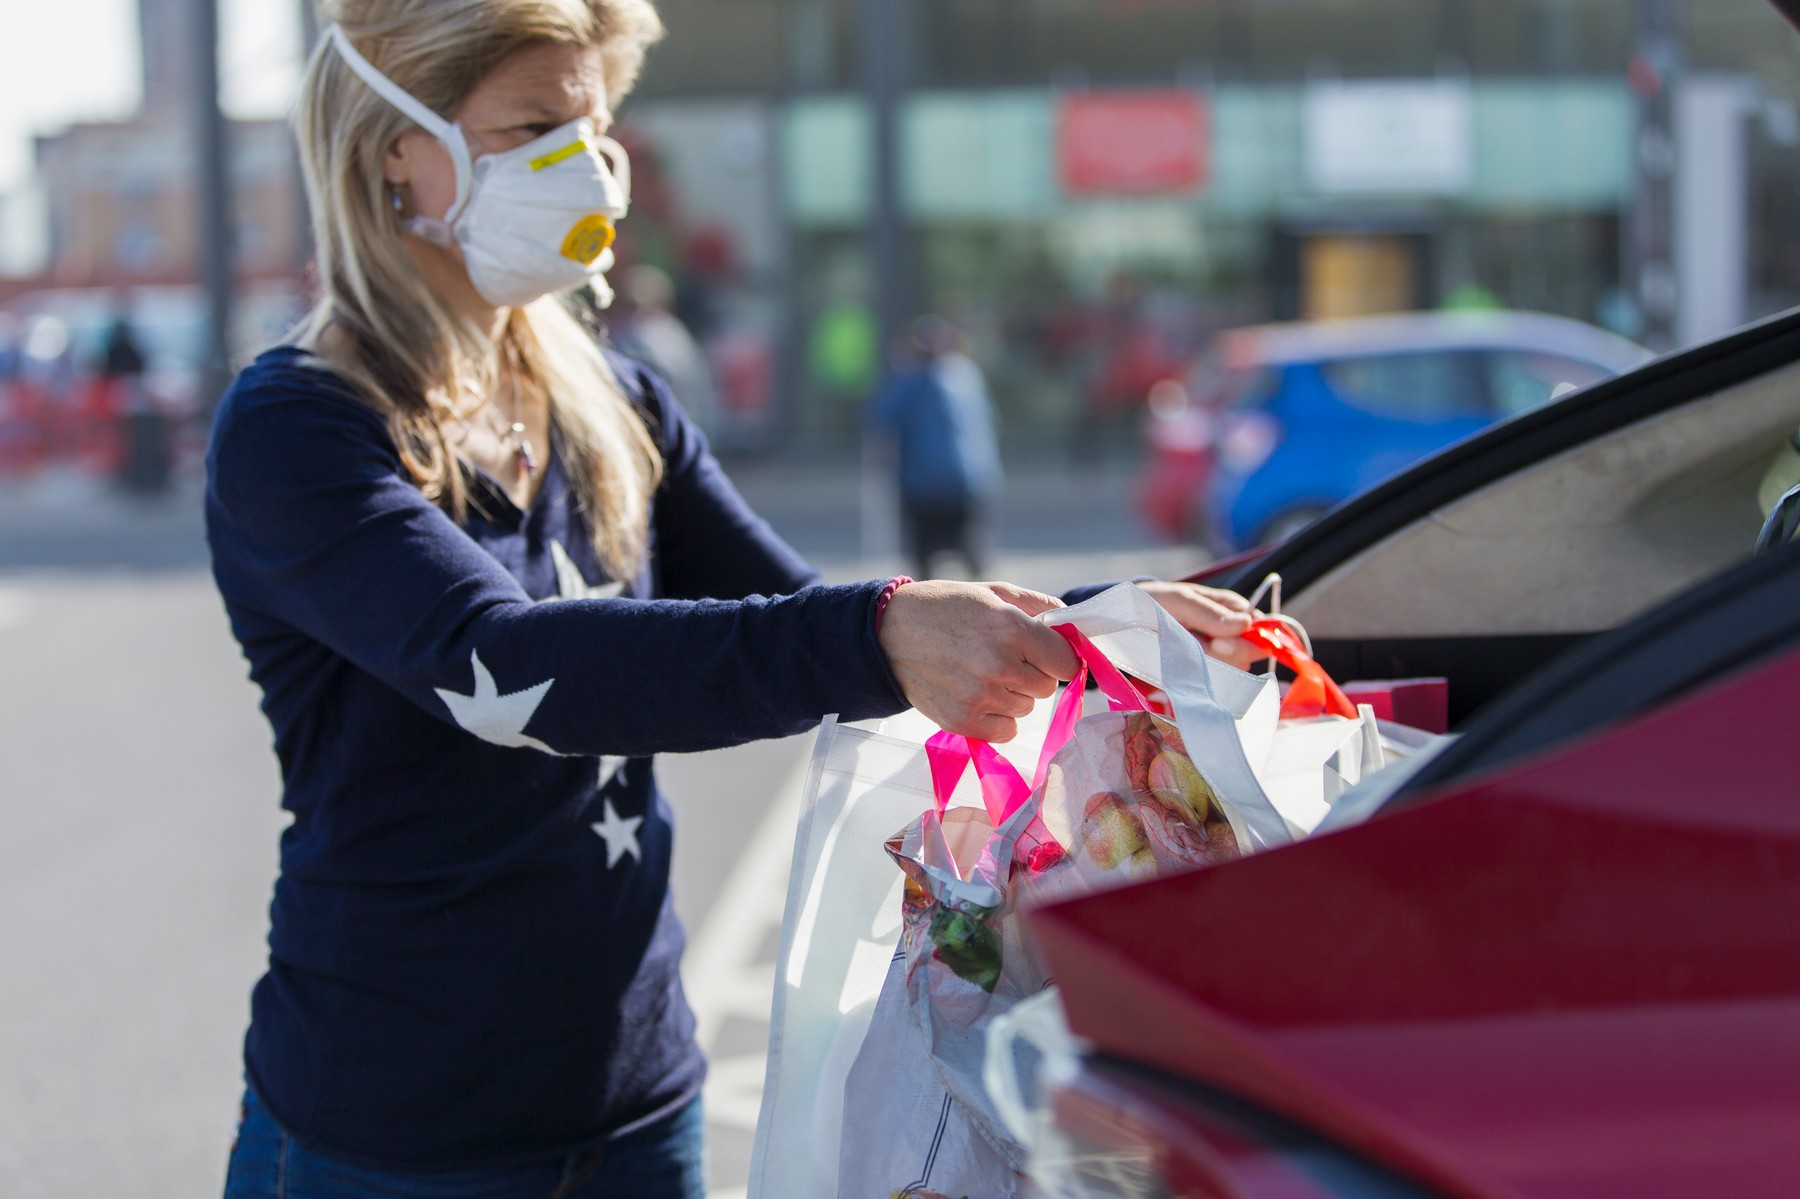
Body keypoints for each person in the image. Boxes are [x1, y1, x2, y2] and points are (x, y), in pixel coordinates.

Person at [207, 4, 1261, 1196]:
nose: (586, 164)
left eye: (594, 125)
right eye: (534, 124)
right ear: (391, 145)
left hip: (638, 1102)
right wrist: (878, 633)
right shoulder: (298, 426)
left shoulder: (616, 402)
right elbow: (497, 668)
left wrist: (1093, 626)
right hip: (386, 1130)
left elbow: (803, 615)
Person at [868, 316, 1002, 580]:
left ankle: (929, 613)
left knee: (925, 563)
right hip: (968, 480)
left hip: (922, 484)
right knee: (972, 556)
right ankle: (989, 611)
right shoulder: (967, 374)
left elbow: (880, 419)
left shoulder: (908, 379)